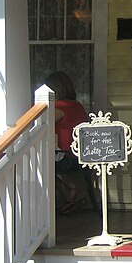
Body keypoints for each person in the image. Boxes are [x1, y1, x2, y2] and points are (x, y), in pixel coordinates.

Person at [45, 71, 89, 213]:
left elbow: (41, 123)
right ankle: (70, 195)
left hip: (66, 158)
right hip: (80, 156)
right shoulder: (78, 106)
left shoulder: (59, 107)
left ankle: (68, 192)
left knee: (38, 165)